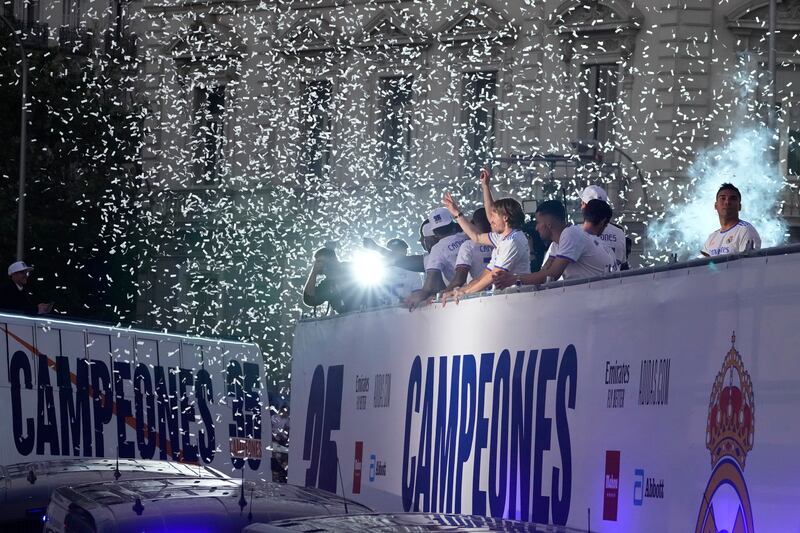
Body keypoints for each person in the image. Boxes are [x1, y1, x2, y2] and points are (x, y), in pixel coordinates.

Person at [441, 169, 530, 304]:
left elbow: (493, 275)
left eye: (494, 216)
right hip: (507, 300)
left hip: (517, 301)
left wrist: (465, 292)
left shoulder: (513, 241)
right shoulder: (502, 238)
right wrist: (456, 213)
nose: (490, 220)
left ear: (505, 218)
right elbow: (476, 237)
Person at [494, 200, 616, 289]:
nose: (536, 228)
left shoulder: (571, 234)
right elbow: (543, 273)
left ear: (548, 224)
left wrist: (514, 279)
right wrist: (514, 278)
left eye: (538, 222)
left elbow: (551, 275)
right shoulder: (557, 244)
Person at [403, 207, 467, 309]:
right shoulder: (467, 236)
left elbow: (430, 284)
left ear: (435, 233)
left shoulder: (437, 249)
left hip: (462, 298)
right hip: (480, 288)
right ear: (452, 223)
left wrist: (425, 294)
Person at [701, 183, 761, 257]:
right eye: (723, 198)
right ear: (715, 205)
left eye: (732, 199)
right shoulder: (712, 238)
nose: (727, 202)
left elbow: (749, 264)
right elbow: (707, 266)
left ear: (739, 206)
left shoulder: (745, 230)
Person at [443, 207, 494, 292]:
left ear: (472, 224)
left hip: (476, 293)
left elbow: (459, 279)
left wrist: (443, 295)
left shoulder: (468, 245)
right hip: (503, 290)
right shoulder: (501, 241)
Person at [579, 185, 629, 269]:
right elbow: (623, 266)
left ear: (585, 205)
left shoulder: (576, 233)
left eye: (581, 203)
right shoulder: (619, 232)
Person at [302, 248, 360, 315]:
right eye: (317, 262)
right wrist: (314, 273)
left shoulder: (351, 268)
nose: (320, 265)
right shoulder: (327, 285)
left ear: (333, 260)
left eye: (322, 261)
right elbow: (309, 299)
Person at [382, 238, 422, 303]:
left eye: (398, 249)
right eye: (393, 250)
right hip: (381, 310)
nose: (395, 252)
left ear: (405, 251)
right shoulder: (381, 271)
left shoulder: (413, 272)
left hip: (406, 310)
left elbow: (417, 293)